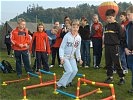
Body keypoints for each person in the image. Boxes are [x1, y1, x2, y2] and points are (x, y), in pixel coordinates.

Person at [57, 19, 82, 88]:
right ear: (71, 27)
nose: (75, 29)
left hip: (71, 57)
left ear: (78, 28)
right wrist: (61, 57)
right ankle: (60, 84)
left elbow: (77, 49)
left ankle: (68, 82)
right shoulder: (67, 36)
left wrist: (79, 58)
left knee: (75, 70)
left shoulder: (79, 38)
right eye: (73, 27)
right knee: (69, 71)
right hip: (65, 56)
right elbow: (61, 47)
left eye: (77, 27)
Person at [103, 9, 125, 85]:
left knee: (117, 63)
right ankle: (110, 77)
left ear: (114, 17)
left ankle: (122, 78)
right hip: (107, 47)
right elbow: (105, 36)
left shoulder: (117, 26)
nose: (108, 19)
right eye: (107, 18)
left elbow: (122, 36)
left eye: (110, 18)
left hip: (114, 47)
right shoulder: (106, 26)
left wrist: (119, 44)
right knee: (108, 62)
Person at [123, 5, 133, 93]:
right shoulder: (128, 26)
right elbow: (125, 39)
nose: (127, 16)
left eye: (129, 14)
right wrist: (126, 48)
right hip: (129, 53)